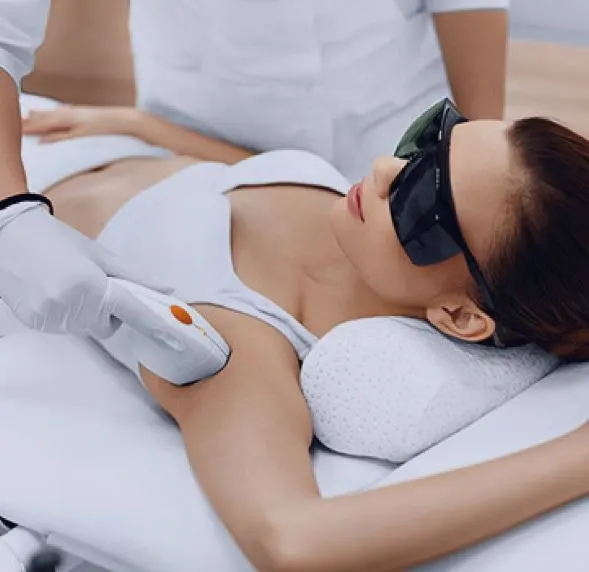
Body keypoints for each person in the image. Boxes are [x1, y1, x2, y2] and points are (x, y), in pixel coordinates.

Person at [20, 95, 589, 570]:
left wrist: (577, 457)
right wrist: (138, 125)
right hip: (70, 141)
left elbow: (292, 539)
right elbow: (245, 173)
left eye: (423, 197)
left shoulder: (234, 336)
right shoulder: (364, 226)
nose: (384, 170)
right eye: (428, 141)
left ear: (461, 317)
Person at [0, 0, 509, 338]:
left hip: (394, 130)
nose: (381, 171)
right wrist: (13, 210)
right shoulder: (328, 197)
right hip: (189, 129)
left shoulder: (249, 334)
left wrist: (465, 159)